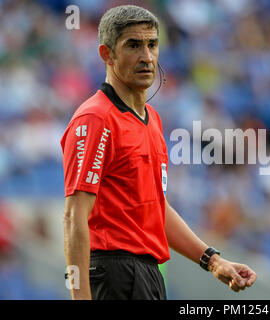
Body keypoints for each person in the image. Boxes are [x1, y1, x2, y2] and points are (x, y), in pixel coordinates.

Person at [61, 5, 257, 300]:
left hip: (148, 276)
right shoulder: (96, 119)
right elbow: (74, 217)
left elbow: (155, 208)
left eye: (152, 44)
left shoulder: (152, 119)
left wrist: (213, 260)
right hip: (112, 275)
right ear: (107, 54)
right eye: (133, 45)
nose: (147, 56)